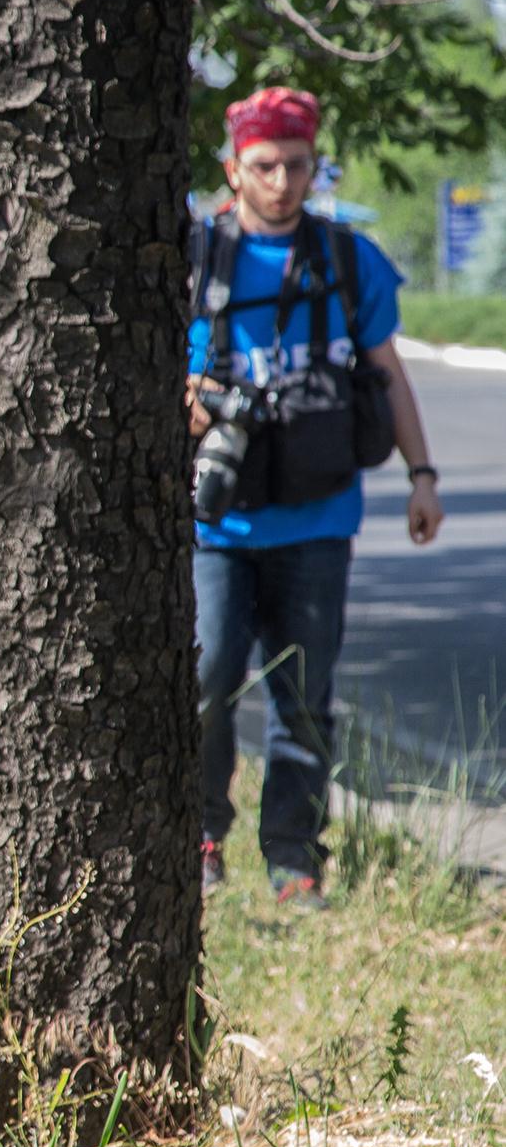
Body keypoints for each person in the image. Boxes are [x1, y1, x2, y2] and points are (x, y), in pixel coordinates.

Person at [186, 87, 444, 909]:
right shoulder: (198, 257)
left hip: (319, 521)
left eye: (298, 165)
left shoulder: (348, 259)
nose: (283, 182)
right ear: (234, 169)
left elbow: (389, 374)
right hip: (219, 524)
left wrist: (422, 478)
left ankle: (295, 861)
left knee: (303, 695)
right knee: (205, 679)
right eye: (265, 166)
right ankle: (199, 836)